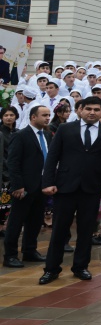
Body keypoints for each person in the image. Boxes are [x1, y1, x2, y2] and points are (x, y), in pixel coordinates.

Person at [39, 97, 101, 284]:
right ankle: (51, 268)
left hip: (92, 188)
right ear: (80, 110)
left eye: (96, 109)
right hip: (65, 187)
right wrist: (47, 182)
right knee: (59, 230)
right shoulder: (65, 129)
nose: (92, 112)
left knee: (86, 230)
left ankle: (81, 266)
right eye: (88, 108)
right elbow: (52, 157)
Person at [3, 105, 51, 268]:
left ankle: (30, 250)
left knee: (35, 221)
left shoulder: (46, 135)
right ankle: (10, 255)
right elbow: (13, 162)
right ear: (33, 117)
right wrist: (17, 185)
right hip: (24, 187)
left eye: (49, 115)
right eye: (44, 115)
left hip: (42, 186)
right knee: (16, 222)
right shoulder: (21, 135)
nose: (47, 118)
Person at [0, 106, 20, 238]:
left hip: (16, 171)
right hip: (4, 171)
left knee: (11, 202)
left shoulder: (18, 132)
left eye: (11, 115)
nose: (9, 117)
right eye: (6, 115)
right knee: (3, 202)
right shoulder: (1, 133)